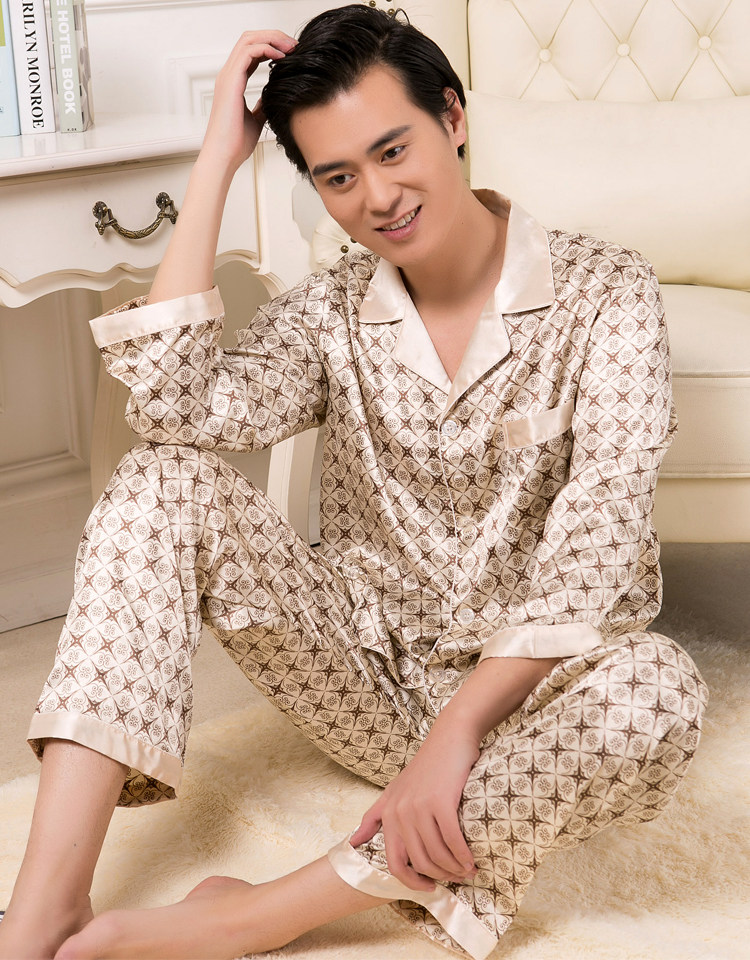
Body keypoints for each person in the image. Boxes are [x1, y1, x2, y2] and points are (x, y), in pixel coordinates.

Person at [0, 5, 708, 959]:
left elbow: (599, 551)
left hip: (532, 703)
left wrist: (457, 736)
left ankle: (263, 912)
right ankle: (45, 908)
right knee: (161, 478)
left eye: (393, 150)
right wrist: (217, 161)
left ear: (452, 116)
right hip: (364, 680)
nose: (378, 197)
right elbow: (176, 408)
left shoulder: (608, 292)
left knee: (657, 688)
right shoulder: (330, 311)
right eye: (338, 177)